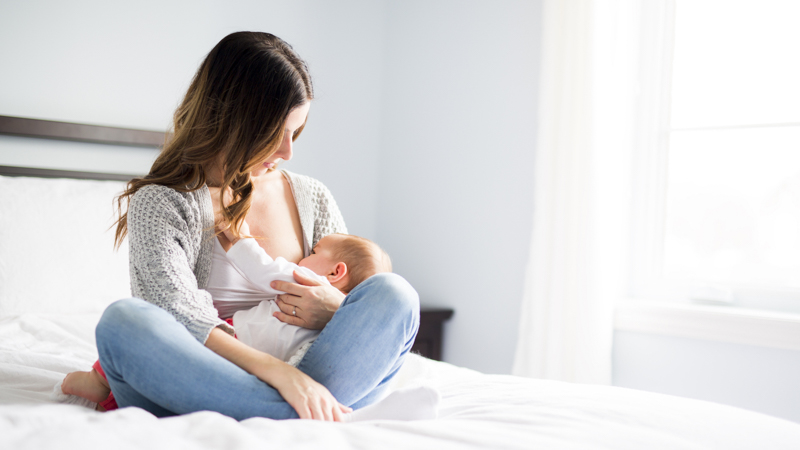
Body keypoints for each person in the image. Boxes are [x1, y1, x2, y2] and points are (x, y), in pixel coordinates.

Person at [72, 31, 422, 422]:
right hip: (201, 375)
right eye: (277, 133)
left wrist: (334, 310)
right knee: (124, 323)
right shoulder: (163, 202)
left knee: (396, 294)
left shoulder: (312, 197)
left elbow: (355, 301)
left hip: (299, 371)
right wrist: (284, 376)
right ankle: (298, 413)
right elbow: (177, 315)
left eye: (296, 132)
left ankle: (276, 412)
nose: (288, 152)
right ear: (235, 119)